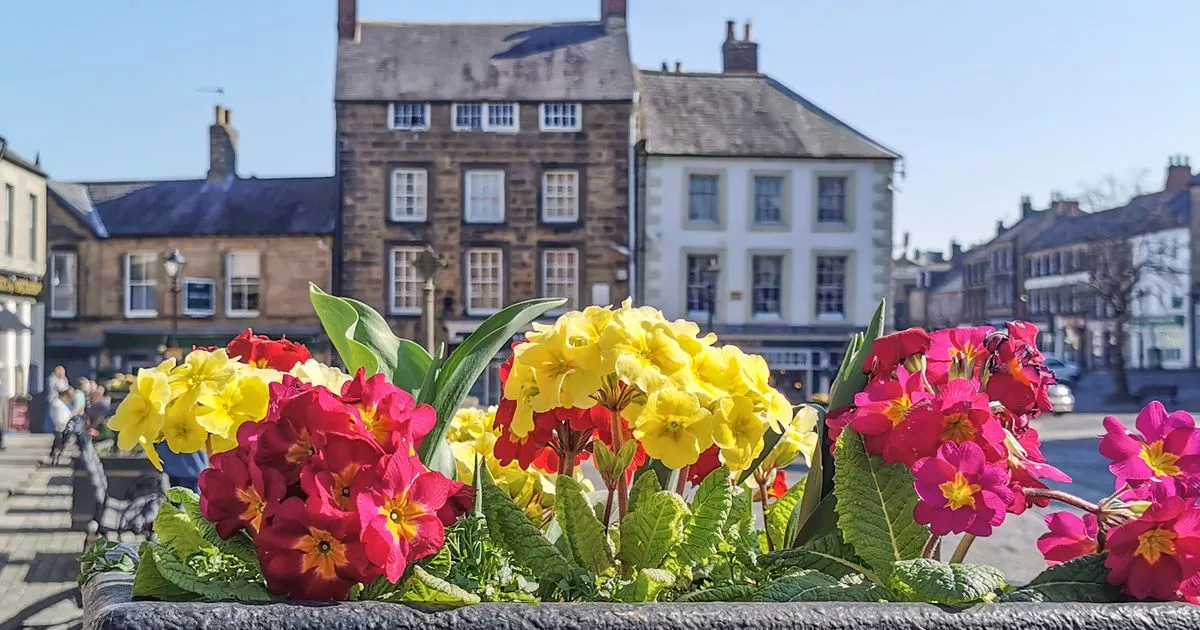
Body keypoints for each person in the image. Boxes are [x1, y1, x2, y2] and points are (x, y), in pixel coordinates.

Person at [48, 388, 74, 460]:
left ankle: (57, 452)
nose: (69, 399)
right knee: (59, 440)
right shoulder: (57, 403)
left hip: (65, 426)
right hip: (59, 426)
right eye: (69, 397)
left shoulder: (63, 404)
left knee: (62, 440)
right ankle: (55, 452)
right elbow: (56, 415)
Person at [45, 366, 68, 434]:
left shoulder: (62, 379)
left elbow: (66, 388)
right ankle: (53, 429)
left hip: (61, 401)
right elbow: (61, 388)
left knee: (59, 415)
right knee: (53, 415)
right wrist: (63, 379)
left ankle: (58, 429)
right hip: (54, 400)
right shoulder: (53, 378)